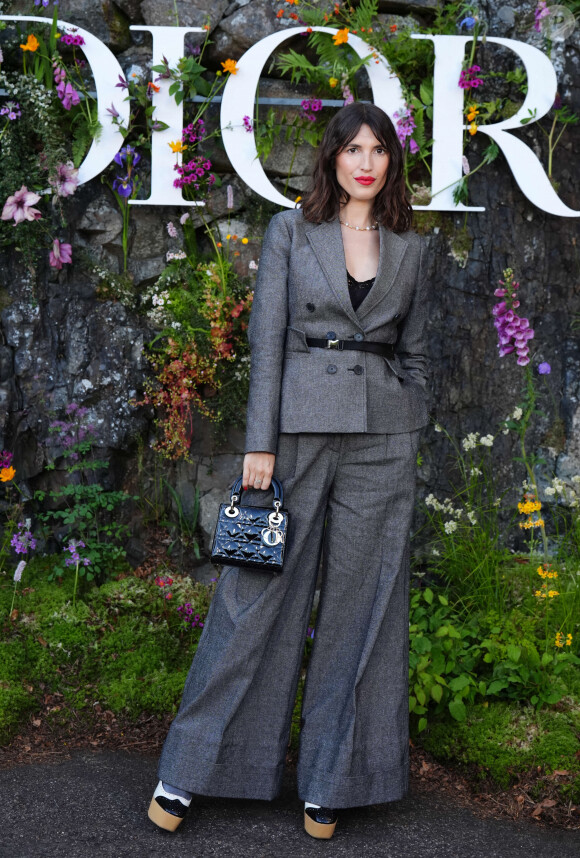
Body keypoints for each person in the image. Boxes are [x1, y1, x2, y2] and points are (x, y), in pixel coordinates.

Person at [148, 101, 430, 840]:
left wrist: (409, 413)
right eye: (353, 149)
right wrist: (259, 442)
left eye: (379, 150)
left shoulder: (409, 244)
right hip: (297, 428)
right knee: (255, 596)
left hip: (384, 439)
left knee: (364, 607)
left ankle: (332, 780)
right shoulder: (290, 231)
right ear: (332, 157)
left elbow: (418, 350)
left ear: (390, 162)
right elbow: (266, 337)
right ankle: (189, 770)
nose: (366, 162)